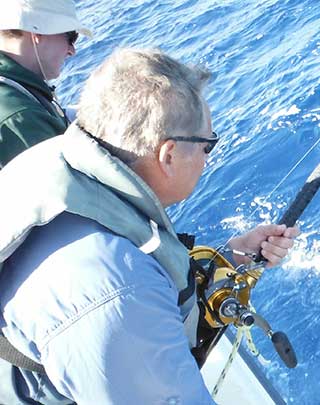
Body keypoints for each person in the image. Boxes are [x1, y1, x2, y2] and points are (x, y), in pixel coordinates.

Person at [0, 48, 300, 404]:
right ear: (168, 155)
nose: (208, 157)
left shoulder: (61, 166)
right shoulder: (118, 295)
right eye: (208, 145)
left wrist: (230, 258)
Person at [0, 0, 90, 167]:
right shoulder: (21, 117)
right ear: (38, 34)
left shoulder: (18, 87)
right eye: (71, 36)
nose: (72, 50)